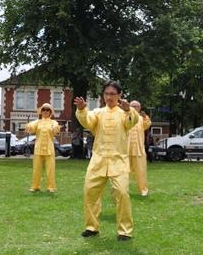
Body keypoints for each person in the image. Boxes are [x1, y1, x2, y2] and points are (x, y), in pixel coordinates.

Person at [74, 80, 139, 241]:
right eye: (106, 94)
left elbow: (133, 121)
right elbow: (87, 121)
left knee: (122, 193)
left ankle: (124, 231)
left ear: (119, 96)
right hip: (98, 159)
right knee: (89, 192)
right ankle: (91, 227)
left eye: (112, 94)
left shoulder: (124, 113)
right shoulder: (97, 112)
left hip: (119, 160)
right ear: (103, 96)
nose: (109, 97)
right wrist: (82, 108)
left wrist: (128, 110)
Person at [25, 103, 61, 193]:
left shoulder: (53, 122)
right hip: (38, 149)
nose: (45, 111)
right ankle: (35, 186)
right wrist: (28, 126)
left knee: (50, 169)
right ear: (41, 111)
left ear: (50, 112)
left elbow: (56, 130)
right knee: (36, 169)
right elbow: (31, 127)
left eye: (47, 110)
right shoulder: (37, 122)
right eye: (43, 109)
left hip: (49, 149)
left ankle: (51, 187)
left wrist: (55, 128)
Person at [128, 100, 152, 196]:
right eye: (132, 106)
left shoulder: (142, 119)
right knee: (124, 172)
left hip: (138, 149)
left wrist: (145, 117)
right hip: (126, 150)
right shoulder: (125, 116)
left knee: (141, 171)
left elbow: (147, 124)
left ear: (140, 108)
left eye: (136, 106)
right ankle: (124, 190)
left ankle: (143, 190)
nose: (134, 108)